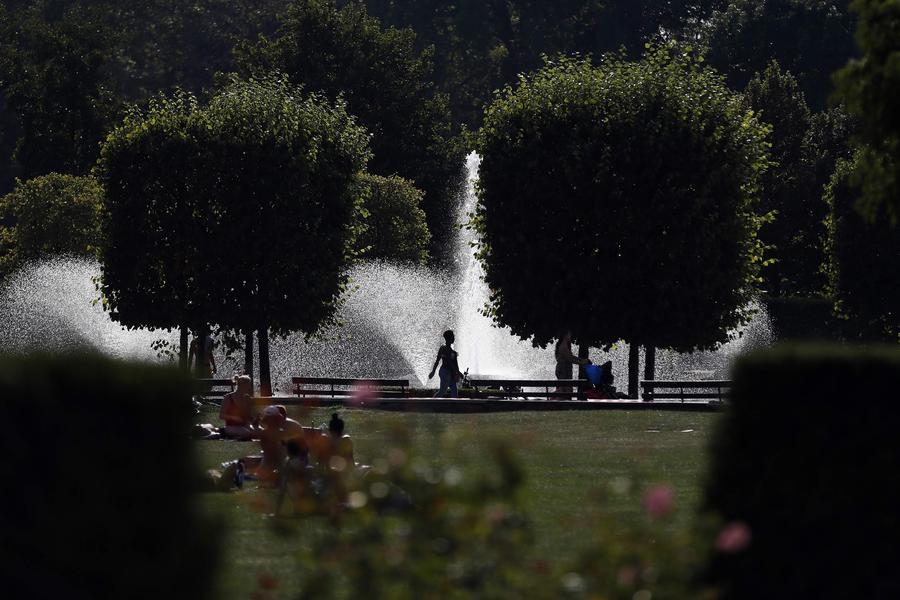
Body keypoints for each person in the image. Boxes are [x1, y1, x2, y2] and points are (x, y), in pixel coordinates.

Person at [218, 375, 256, 440]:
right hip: (231, 426)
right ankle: (230, 437)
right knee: (246, 432)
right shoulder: (228, 398)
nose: (250, 388)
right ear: (242, 386)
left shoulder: (247, 398)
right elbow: (221, 415)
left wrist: (256, 419)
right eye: (248, 386)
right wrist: (234, 418)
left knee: (261, 432)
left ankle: (236, 437)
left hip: (245, 425)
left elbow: (249, 417)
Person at [429, 329, 464, 398]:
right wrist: (458, 372)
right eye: (453, 337)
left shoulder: (450, 349)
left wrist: (456, 373)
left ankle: (453, 407)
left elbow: (452, 363)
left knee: (454, 392)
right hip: (445, 372)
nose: (454, 338)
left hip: (450, 372)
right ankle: (433, 403)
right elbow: (448, 362)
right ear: (449, 338)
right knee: (442, 391)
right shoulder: (444, 348)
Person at [555, 330, 591, 396]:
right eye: (569, 334)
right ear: (565, 335)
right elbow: (570, 358)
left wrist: (582, 360)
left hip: (564, 369)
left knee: (565, 388)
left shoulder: (564, 345)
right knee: (565, 389)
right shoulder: (563, 346)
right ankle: (565, 404)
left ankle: (565, 403)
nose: (570, 336)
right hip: (563, 370)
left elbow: (572, 357)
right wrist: (582, 362)